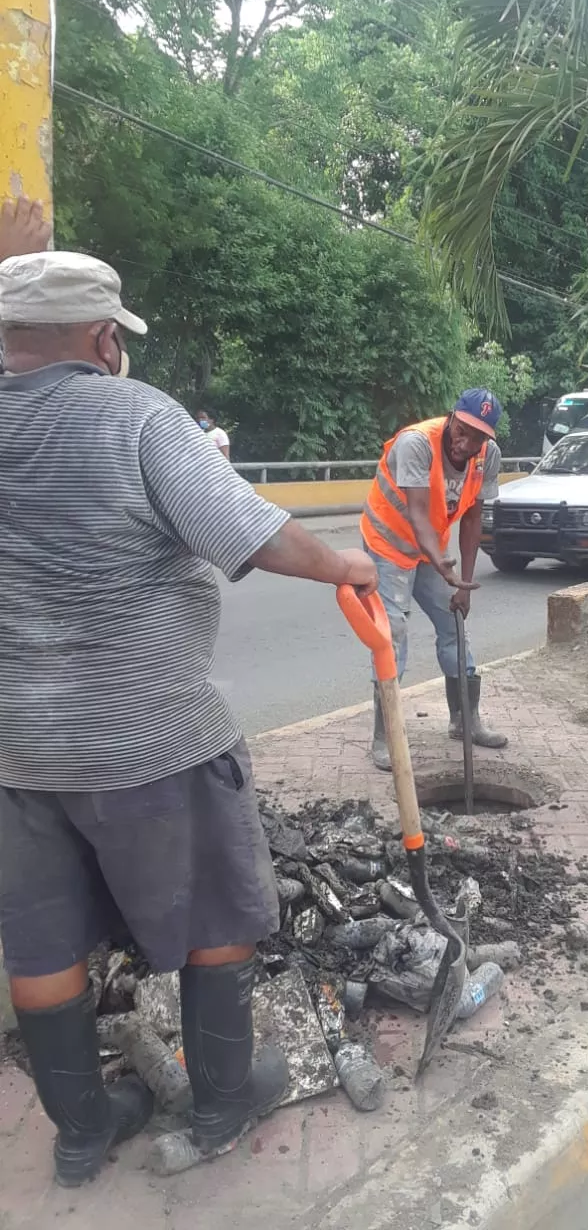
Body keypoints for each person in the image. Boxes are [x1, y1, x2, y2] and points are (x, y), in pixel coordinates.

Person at [0, 208, 378, 1188]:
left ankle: (81, 1128)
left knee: (40, 937)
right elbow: (248, 530)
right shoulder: (135, 413)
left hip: (19, 749)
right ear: (103, 338)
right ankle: (221, 1097)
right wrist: (345, 561)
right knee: (220, 912)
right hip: (152, 738)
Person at [360, 390, 509, 769]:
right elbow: (417, 514)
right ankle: (386, 736)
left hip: (432, 549)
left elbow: (473, 518)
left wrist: (464, 585)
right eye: (463, 430)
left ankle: (465, 720)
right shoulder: (416, 444)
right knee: (392, 634)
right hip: (388, 545)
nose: (467, 442)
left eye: (478, 437)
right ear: (451, 419)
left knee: (454, 623)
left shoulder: (486, 458)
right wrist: (442, 565)